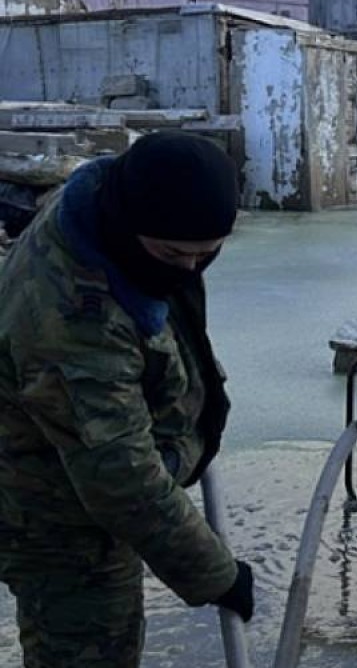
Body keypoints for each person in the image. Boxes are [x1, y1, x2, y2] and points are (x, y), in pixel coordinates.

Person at [0, 132, 255, 667]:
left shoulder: (108, 211)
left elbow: (163, 322)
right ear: (127, 225)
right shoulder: (71, 316)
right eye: (173, 255)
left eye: (206, 255)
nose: (188, 271)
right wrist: (216, 573)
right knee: (90, 654)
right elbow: (121, 478)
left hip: (85, 482)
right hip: (53, 515)